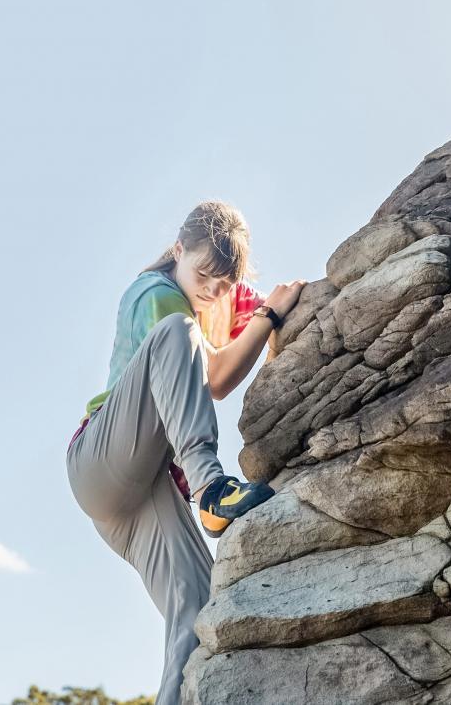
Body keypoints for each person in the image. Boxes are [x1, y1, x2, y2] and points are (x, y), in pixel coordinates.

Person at [65, 200, 307, 705]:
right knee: (180, 332)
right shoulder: (157, 293)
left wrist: (272, 313)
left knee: (198, 615)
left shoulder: (216, 294)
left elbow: (270, 314)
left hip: (140, 492)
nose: (212, 291)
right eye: (204, 275)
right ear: (178, 250)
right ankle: (211, 487)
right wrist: (266, 318)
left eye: (223, 285)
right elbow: (217, 379)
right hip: (101, 459)